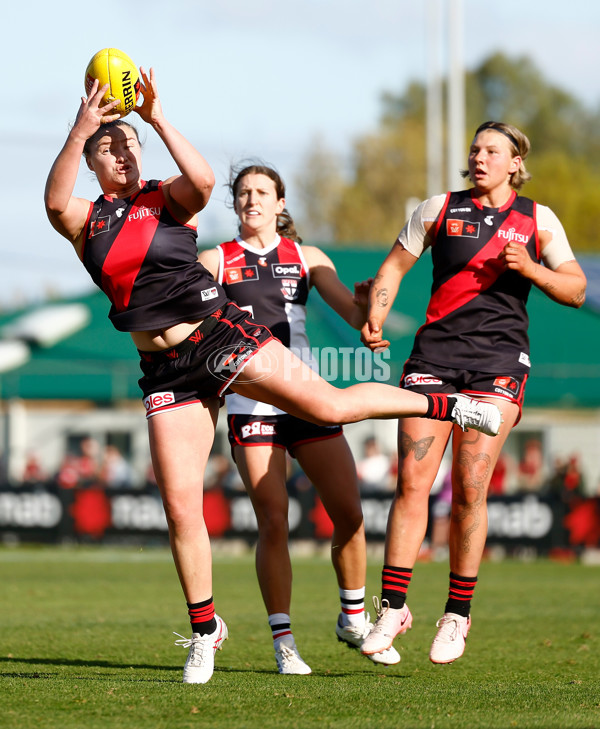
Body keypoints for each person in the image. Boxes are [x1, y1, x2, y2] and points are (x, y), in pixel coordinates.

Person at [44, 71, 501, 685]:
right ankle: (206, 632)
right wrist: (82, 128)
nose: (122, 154)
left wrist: (154, 116)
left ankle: (449, 406)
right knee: (181, 509)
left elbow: (204, 180)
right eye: (110, 147)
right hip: (164, 371)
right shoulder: (85, 219)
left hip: (219, 336)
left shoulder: (164, 197)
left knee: (333, 407)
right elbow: (53, 202)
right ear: (95, 159)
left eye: (129, 146)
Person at [360, 121, 587, 665]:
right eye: (475, 149)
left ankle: (457, 616)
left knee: (470, 487)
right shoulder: (438, 208)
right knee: (412, 481)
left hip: (498, 366)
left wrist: (533, 268)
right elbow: (393, 266)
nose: (479, 157)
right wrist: (376, 314)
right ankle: (392, 607)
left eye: (492, 151)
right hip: (433, 360)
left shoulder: (538, 220)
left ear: (515, 162)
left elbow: (576, 289)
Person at [198, 163, 400, 674]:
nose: (252, 200)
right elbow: (190, 322)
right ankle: (284, 642)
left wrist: (367, 308)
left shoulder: (307, 258)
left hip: (308, 398)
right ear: (235, 203)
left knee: (350, 513)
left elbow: (356, 318)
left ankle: (352, 618)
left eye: (262, 192)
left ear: (281, 203)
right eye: (243, 193)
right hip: (249, 402)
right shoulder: (215, 261)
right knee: (274, 520)